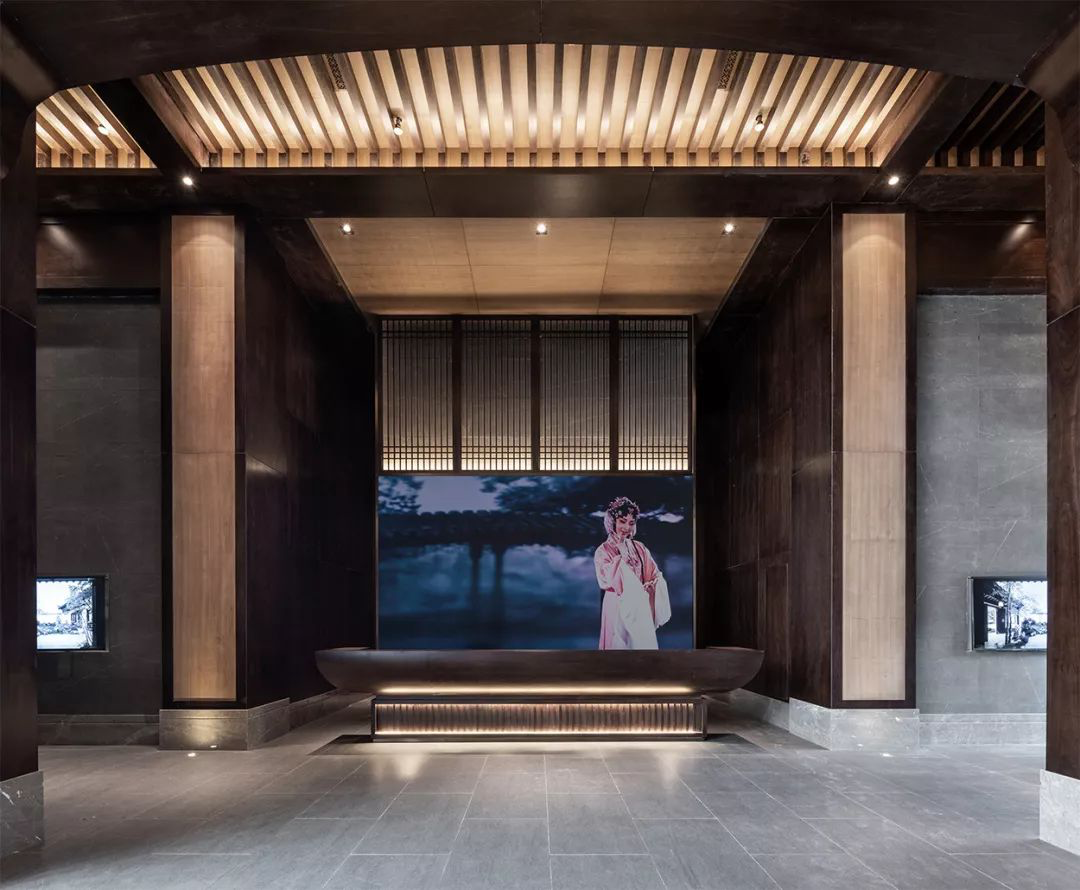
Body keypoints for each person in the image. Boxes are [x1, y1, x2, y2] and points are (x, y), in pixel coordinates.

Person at [594, 496, 671, 649]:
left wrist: (651, 585)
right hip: (616, 606)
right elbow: (605, 580)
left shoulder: (639, 547)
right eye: (622, 521)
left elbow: (653, 572)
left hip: (639, 606)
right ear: (613, 522)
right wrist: (621, 554)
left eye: (631, 523)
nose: (626, 527)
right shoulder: (603, 550)